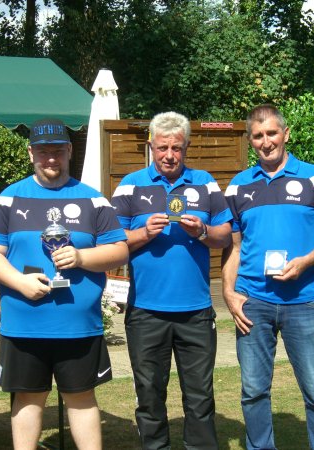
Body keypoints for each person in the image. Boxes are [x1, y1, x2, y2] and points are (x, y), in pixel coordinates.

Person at [0, 118, 128, 450]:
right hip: (24, 325)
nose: (51, 159)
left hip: (78, 326)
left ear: (70, 151)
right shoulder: (9, 198)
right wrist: (19, 282)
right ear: (30, 153)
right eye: (43, 151)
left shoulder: (93, 200)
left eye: (58, 151)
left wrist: (82, 257)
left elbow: (119, 250)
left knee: (82, 399)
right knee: (27, 399)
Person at [221, 104, 314, 450]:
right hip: (253, 304)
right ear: (250, 140)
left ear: (286, 134)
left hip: (305, 302)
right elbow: (233, 247)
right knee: (253, 391)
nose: (266, 142)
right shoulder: (238, 186)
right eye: (258, 136)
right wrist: (229, 292)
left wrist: (306, 261)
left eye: (272, 133)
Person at [111, 111, 233, 449]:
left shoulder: (205, 182)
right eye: (162, 147)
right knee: (149, 395)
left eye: (176, 148)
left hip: (196, 311)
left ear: (186, 147)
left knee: (200, 396)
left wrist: (203, 231)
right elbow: (110, 240)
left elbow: (225, 235)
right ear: (151, 145)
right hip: (146, 310)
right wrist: (143, 234)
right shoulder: (131, 184)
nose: (169, 155)